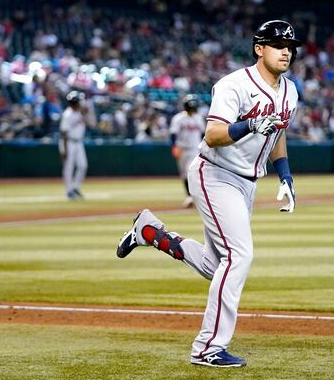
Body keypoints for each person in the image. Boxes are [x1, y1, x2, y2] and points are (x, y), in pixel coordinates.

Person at [116, 19, 301, 367]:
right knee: (240, 256)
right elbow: (214, 134)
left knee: (216, 264)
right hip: (215, 173)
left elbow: (279, 137)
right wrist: (248, 125)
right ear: (259, 49)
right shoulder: (233, 85)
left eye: (290, 47)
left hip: (247, 181)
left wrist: (286, 177)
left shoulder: (289, 91)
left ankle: (150, 232)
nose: (286, 51)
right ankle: (207, 347)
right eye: (278, 45)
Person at [169, 95, 206, 208]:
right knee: (184, 173)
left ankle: (193, 196)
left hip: (195, 148)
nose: (192, 110)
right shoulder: (178, 118)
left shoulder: (198, 118)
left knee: (192, 171)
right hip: (182, 148)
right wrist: (174, 146)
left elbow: (203, 133)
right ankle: (189, 196)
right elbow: (173, 133)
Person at [59, 91, 89, 200]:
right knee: (68, 167)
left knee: (82, 165)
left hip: (78, 142)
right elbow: (64, 132)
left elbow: (86, 110)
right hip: (69, 142)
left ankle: (75, 187)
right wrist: (64, 148)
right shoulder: (68, 114)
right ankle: (69, 191)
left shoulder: (79, 112)